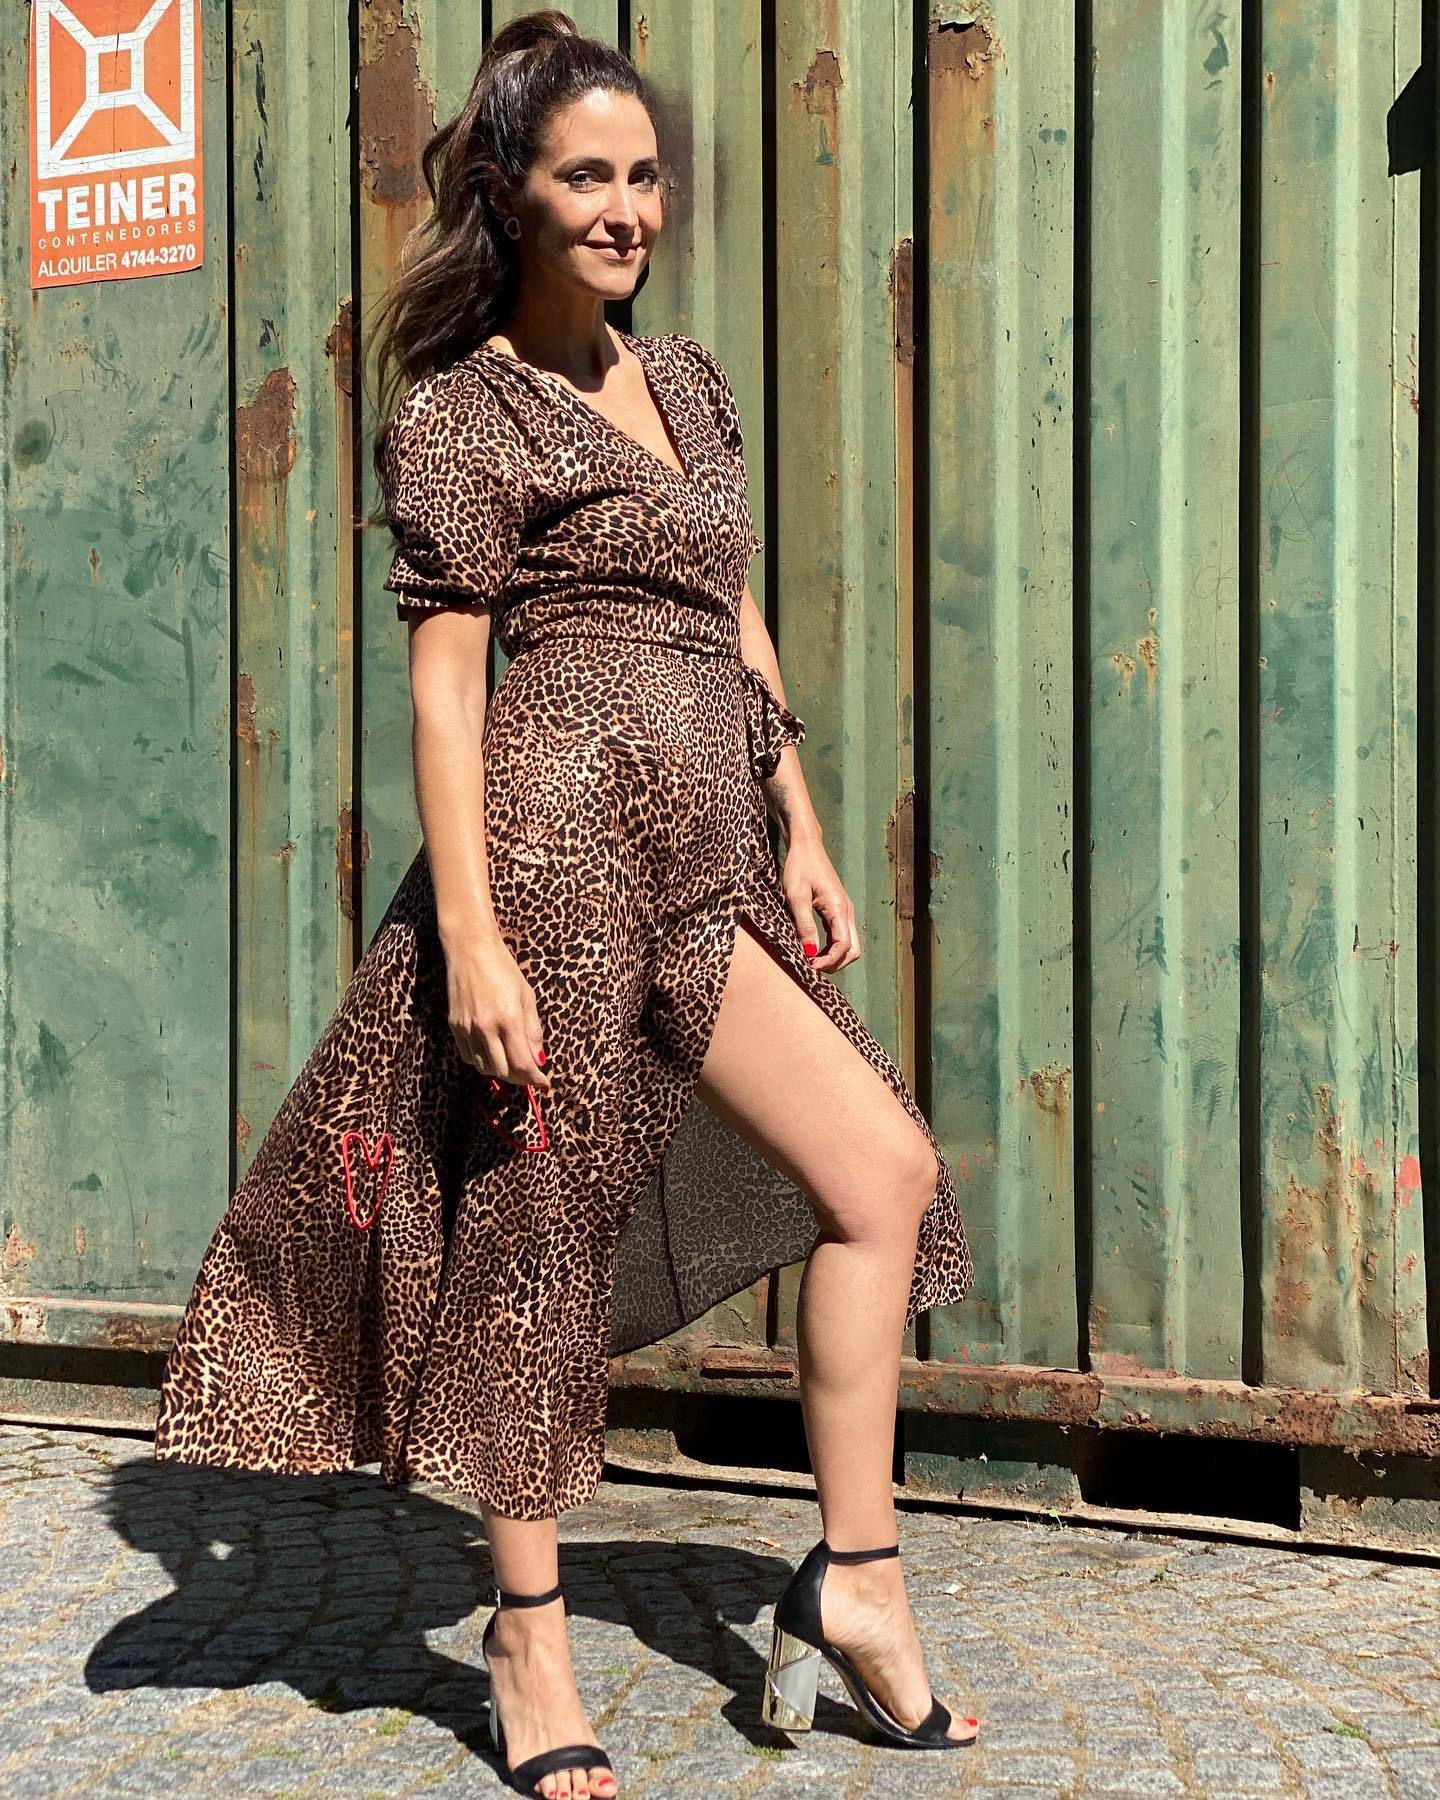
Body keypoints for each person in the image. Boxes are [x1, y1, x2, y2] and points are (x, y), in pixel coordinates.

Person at [154, 12, 978, 1796]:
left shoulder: (688, 383)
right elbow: (448, 690)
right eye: (586, 176)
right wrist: (470, 936)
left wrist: (798, 817)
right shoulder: (460, 415)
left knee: (885, 1176)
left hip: (707, 861)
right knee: (532, 1243)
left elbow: (729, 610)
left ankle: (858, 1575)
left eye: (644, 176)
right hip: (555, 866)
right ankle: (526, 1635)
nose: (626, 208)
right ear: (510, 196)